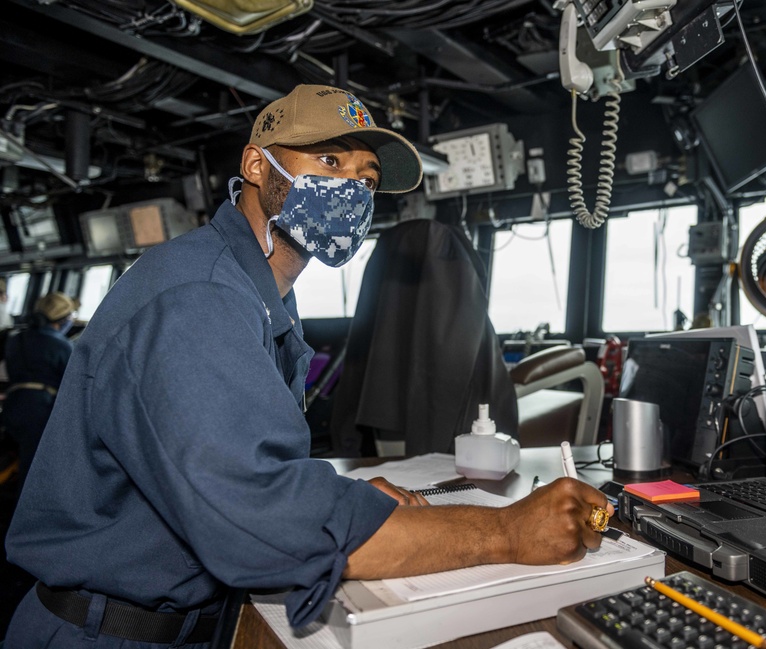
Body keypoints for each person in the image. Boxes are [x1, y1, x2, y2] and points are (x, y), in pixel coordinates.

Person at [3, 85, 612, 648]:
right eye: (329, 163)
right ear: (256, 166)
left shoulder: (257, 290)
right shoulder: (199, 297)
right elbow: (261, 521)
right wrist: (506, 533)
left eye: (366, 179)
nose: (352, 189)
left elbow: (237, 466)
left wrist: (338, 500)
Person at [1, 291, 78, 496]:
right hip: (40, 409)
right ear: (62, 320)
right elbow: (71, 384)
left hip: (13, 406)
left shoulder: (15, 340)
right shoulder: (63, 346)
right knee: (33, 471)